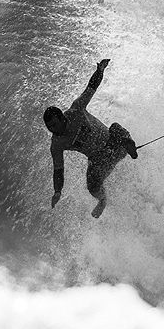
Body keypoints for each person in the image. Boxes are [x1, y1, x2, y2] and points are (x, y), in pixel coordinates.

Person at [44, 59, 138, 218]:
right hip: (100, 158)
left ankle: (129, 145)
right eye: (49, 127)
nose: (52, 130)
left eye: (54, 125)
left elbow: (92, 86)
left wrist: (100, 70)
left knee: (114, 127)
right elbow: (58, 170)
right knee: (91, 185)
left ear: (62, 118)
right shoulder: (57, 144)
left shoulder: (76, 109)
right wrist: (57, 191)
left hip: (113, 142)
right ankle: (102, 200)